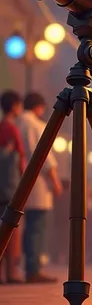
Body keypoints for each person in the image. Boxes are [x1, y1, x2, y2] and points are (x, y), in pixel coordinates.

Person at [17, 92, 62, 283]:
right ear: (39, 106)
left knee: (30, 227)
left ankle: (31, 266)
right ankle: (33, 268)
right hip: (38, 182)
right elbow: (43, 154)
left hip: (26, 180)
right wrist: (55, 180)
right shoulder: (34, 124)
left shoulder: (20, 122)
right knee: (37, 227)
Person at [0, 90, 26, 283]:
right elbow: (19, 159)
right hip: (10, 186)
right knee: (13, 229)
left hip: (2, 186)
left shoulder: (2, 127)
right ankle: (11, 273)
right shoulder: (11, 129)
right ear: (14, 106)